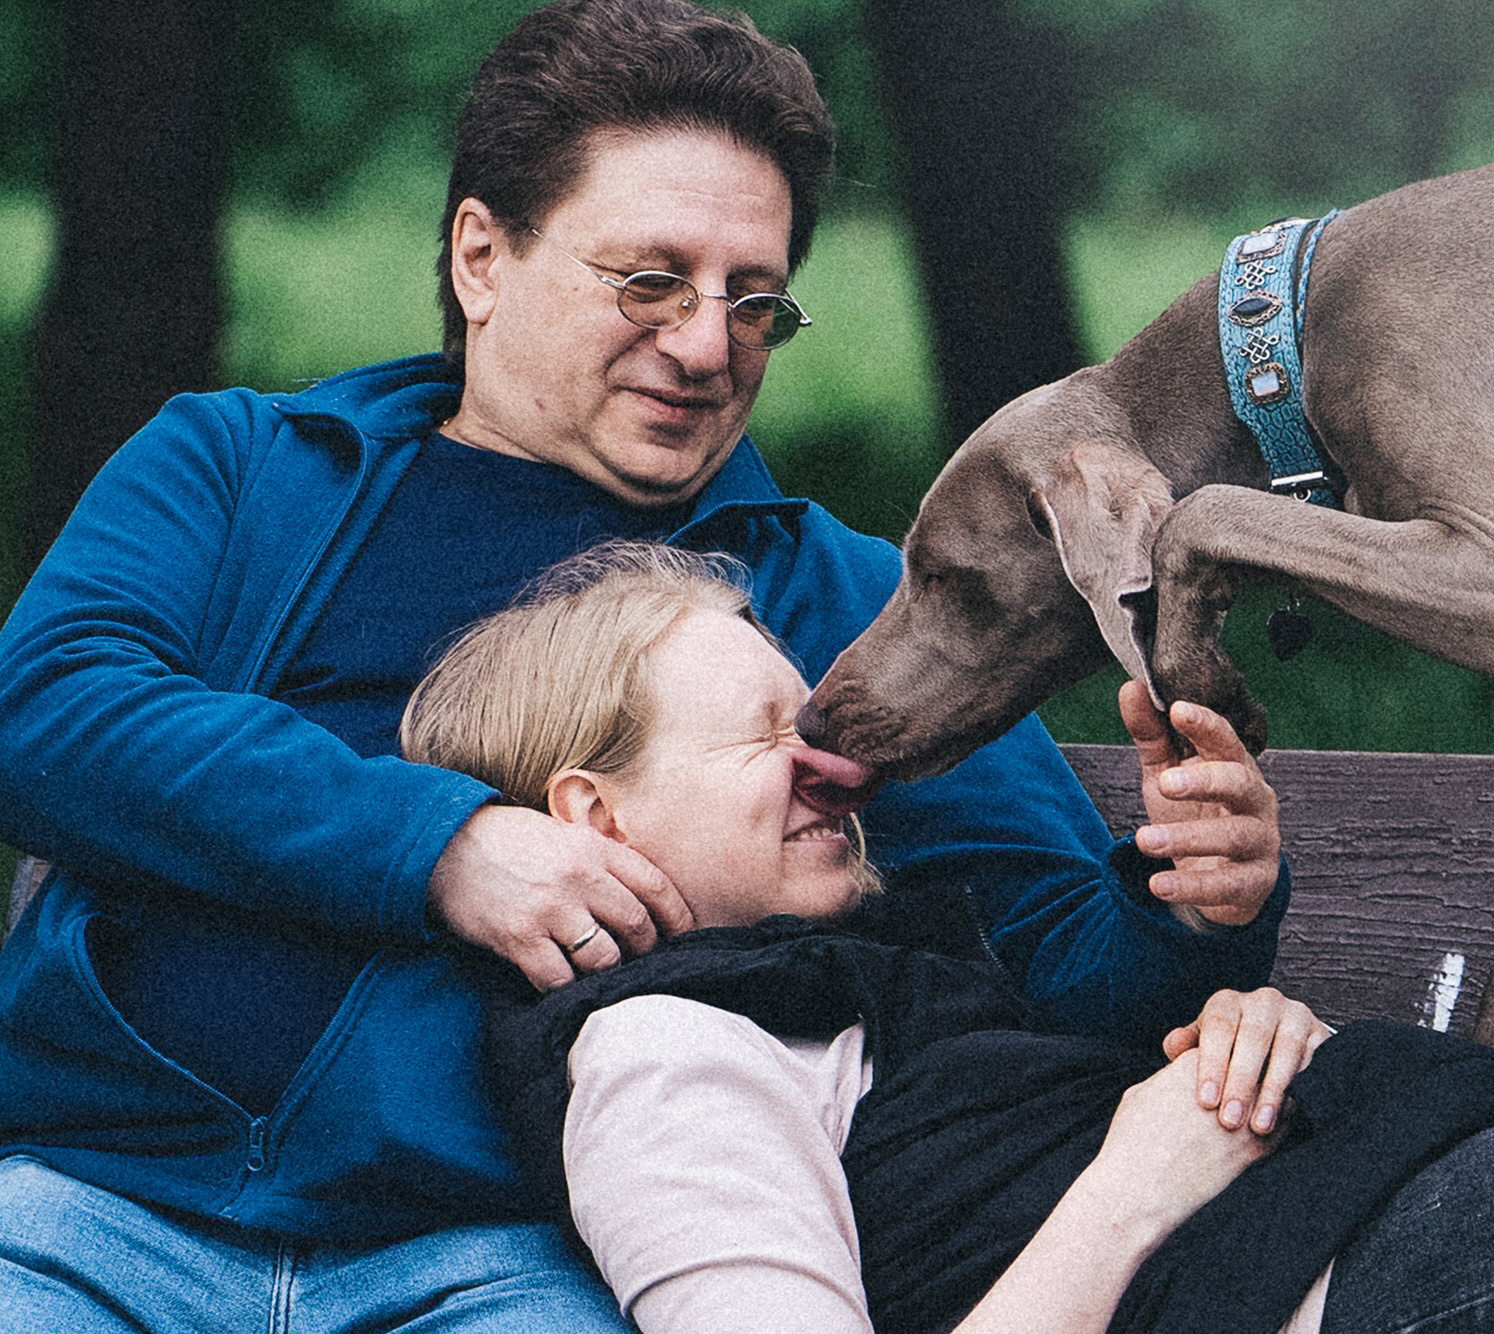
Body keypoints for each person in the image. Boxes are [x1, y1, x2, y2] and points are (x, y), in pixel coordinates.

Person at [0, 2, 1287, 1326]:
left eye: (753, 300)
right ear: (483, 256)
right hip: (95, 1209)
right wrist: (448, 846)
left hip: (514, 1255)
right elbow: (45, 705)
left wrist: (1193, 900)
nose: (704, 343)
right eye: (651, 281)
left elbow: (1064, 961)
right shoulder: (244, 468)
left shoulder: (839, 602)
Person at [415, 540, 1494, 1333]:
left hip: (1433, 1172)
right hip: (1384, 1282)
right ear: (598, 814)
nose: (836, 759)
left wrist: (1253, 1032)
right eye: (768, 734)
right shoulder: (662, 1056)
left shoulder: (849, 971)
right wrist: (1139, 1175)